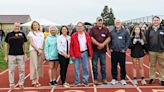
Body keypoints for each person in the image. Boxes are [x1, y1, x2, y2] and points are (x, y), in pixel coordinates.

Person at [4, 22, 28, 91]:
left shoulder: (22, 34)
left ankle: (21, 83)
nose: (17, 27)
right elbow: (6, 45)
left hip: (21, 55)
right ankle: (11, 84)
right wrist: (6, 56)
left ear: (19, 27)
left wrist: (25, 53)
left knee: (22, 70)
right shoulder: (9, 34)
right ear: (13, 26)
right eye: (16, 26)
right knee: (11, 70)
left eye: (18, 26)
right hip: (11, 55)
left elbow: (24, 44)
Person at [70, 22, 93, 86]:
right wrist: (72, 55)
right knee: (76, 68)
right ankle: (77, 81)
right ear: (77, 28)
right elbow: (71, 46)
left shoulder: (87, 35)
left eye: (81, 26)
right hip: (76, 53)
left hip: (85, 53)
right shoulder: (74, 35)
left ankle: (85, 81)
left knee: (85, 68)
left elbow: (89, 45)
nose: (79, 28)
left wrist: (90, 54)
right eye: (78, 26)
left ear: (83, 27)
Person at [89, 16, 110, 85]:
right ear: (96, 21)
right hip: (95, 50)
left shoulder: (106, 29)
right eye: (99, 21)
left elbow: (109, 38)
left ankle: (104, 78)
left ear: (102, 21)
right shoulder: (92, 29)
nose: (100, 22)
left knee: (103, 65)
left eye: (101, 21)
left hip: (103, 51)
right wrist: (98, 44)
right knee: (94, 65)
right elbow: (91, 38)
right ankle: (95, 78)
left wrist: (103, 44)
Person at [109, 18, 130, 85]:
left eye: (119, 22)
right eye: (116, 22)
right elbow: (109, 41)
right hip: (114, 51)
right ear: (114, 23)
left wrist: (125, 48)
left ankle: (123, 78)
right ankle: (114, 78)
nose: (117, 23)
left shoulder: (125, 32)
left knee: (122, 65)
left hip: (122, 52)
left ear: (121, 23)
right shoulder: (112, 32)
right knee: (113, 65)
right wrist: (110, 48)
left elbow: (128, 40)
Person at [145, 16, 164, 86]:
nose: (155, 21)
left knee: (162, 65)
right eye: (154, 20)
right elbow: (146, 40)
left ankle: (162, 79)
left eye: (157, 20)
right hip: (152, 51)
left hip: (161, 51)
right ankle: (152, 78)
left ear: (159, 21)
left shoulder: (163, 29)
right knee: (152, 65)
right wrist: (147, 49)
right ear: (152, 21)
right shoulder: (149, 30)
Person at [27, 21, 44, 87]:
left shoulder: (41, 33)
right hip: (33, 50)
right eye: (34, 25)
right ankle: (33, 81)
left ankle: (37, 80)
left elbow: (43, 42)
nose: (35, 26)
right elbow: (32, 43)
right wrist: (38, 50)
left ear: (39, 26)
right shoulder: (30, 33)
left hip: (40, 50)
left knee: (39, 65)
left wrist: (41, 50)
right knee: (34, 65)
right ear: (32, 26)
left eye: (36, 25)